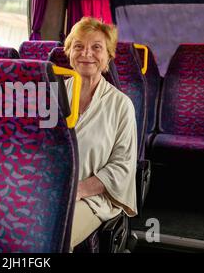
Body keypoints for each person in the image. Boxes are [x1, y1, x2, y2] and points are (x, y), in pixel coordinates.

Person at [63, 17, 138, 251]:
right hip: (50, 190)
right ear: (68, 52)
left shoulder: (121, 105)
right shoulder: (52, 94)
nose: (87, 53)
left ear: (108, 56)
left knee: (52, 236)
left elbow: (122, 167)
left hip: (92, 197)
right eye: (78, 46)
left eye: (96, 47)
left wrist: (79, 190)